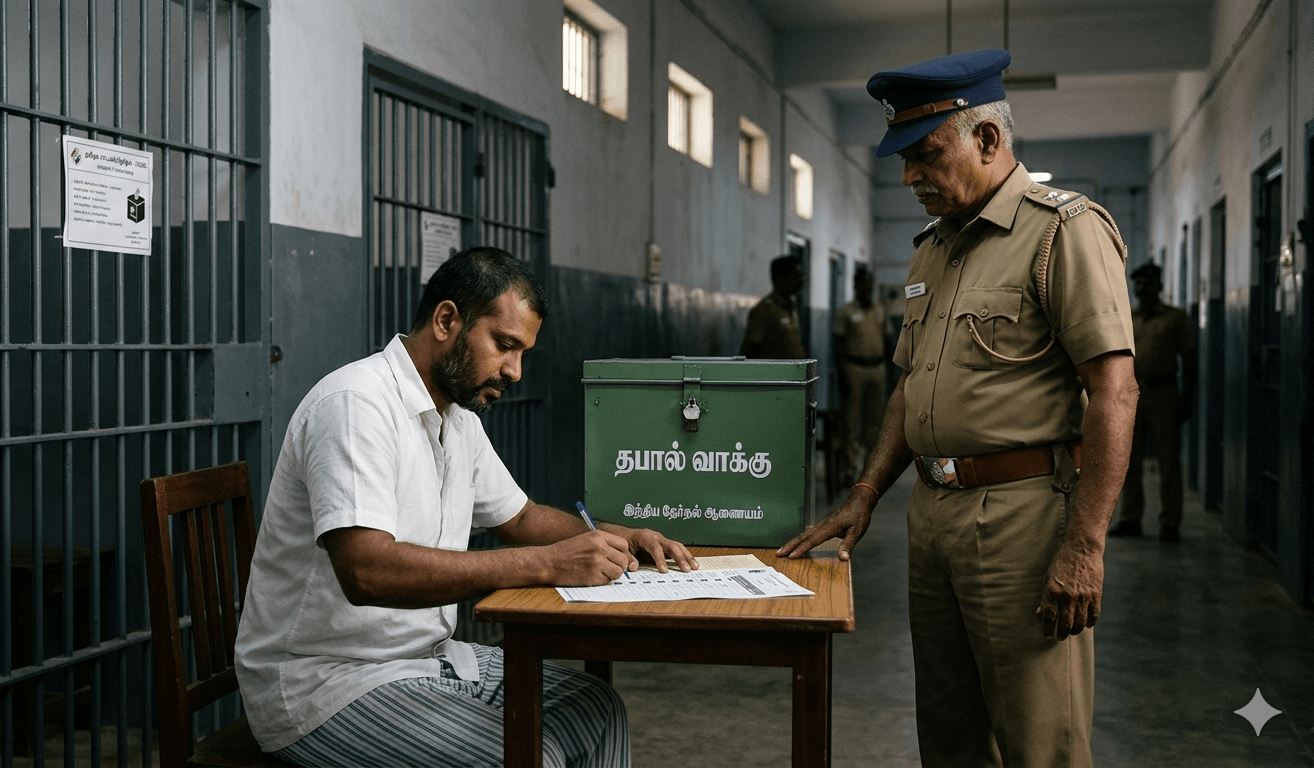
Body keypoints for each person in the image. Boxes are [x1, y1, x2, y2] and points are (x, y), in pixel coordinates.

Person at [778, 49, 1138, 767]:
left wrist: (1085, 545)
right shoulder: (933, 249)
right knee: (948, 734)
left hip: (1023, 519)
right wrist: (867, 490)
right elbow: (912, 386)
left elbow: (1114, 389)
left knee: (1040, 740)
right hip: (935, 516)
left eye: (926, 154)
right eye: (903, 159)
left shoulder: (1062, 232)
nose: (910, 176)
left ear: (988, 140)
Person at [235, 246, 698, 767]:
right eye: (505, 345)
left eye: (523, 352)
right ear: (447, 320)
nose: (516, 371)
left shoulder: (457, 420)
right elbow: (365, 570)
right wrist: (547, 564)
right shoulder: (355, 405)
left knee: (598, 708)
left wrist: (617, 535)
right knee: (528, 756)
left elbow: (519, 518)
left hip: (425, 661)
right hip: (327, 683)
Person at [1110, 262, 1197, 543]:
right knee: (1128, 460)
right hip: (1131, 395)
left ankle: (1170, 522)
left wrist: (1187, 397)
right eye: (1139, 284)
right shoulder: (1128, 318)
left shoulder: (1175, 318)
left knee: (1168, 460)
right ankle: (1130, 518)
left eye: (1149, 283)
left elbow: (1190, 360)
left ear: (1159, 285)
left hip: (1163, 393)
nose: (1143, 288)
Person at [832, 264, 891, 481]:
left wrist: (891, 373)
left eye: (870, 285)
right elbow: (837, 344)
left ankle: (868, 468)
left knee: (874, 421)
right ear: (856, 285)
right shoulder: (846, 311)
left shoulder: (879, 309)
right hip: (853, 368)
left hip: (877, 368)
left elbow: (887, 340)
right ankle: (849, 468)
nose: (867, 289)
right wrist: (842, 375)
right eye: (863, 284)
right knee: (850, 420)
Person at [739, 254, 807, 359]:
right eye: (795, 276)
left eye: (801, 275)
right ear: (779, 278)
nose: (801, 280)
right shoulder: (764, 310)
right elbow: (748, 350)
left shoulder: (791, 307)